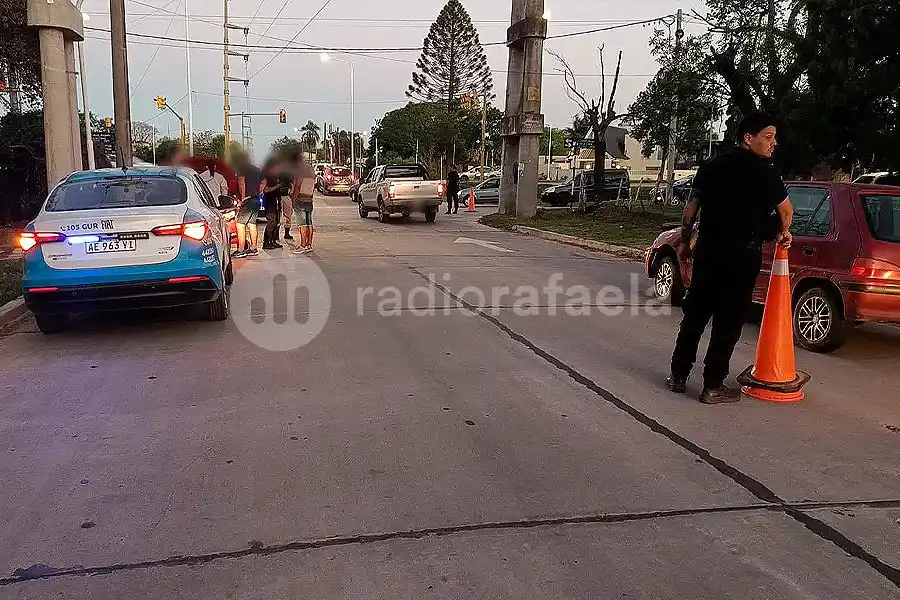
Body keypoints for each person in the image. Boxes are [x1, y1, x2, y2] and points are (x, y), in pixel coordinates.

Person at [666, 112, 794, 404]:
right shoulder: (767, 173)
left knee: (695, 316)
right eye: (768, 137)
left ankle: (678, 376)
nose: (774, 144)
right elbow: (786, 212)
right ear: (749, 139)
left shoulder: (711, 166)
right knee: (728, 321)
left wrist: (685, 245)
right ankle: (712, 386)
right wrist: (783, 232)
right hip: (742, 255)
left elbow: (689, 211)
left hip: (709, 252)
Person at [233, 151, 263, 258]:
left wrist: (243, 198)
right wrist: (258, 191)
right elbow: (264, 181)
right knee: (252, 224)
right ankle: (253, 248)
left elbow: (242, 182)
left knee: (240, 224)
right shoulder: (256, 169)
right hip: (256, 200)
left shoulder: (242, 168)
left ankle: (241, 249)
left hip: (248, 200)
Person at [290, 154, 318, 254]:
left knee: (302, 224)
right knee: (309, 223)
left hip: (300, 199)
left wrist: (293, 198)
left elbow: (297, 186)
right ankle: (309, 244)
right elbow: (313, 187)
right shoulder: (311, 173)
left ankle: (303, 245)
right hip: (309, 199)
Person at [261, 160, 284, 250]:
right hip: (269, 201)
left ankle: (273, 240)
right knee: (271, 222)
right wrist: (277, 186)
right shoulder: (266, 176)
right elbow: (265, 190)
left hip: (276, 201)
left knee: (276, 222)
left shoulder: (275, 176)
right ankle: (266, 242)